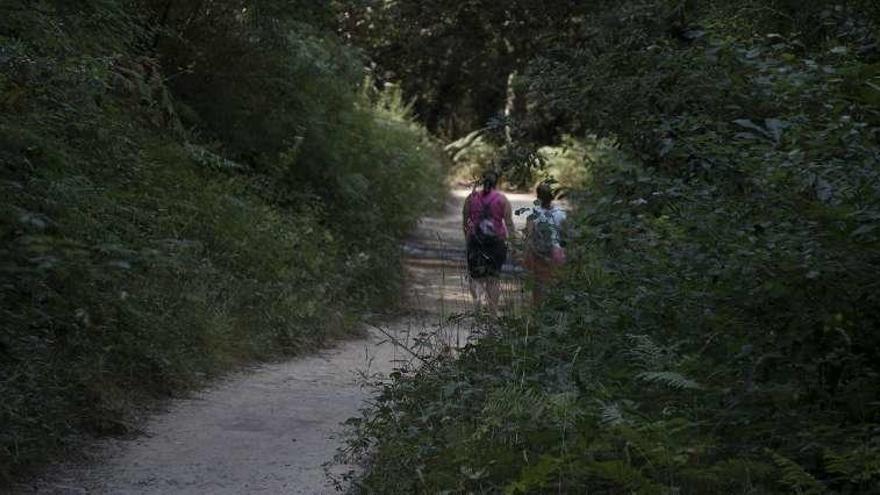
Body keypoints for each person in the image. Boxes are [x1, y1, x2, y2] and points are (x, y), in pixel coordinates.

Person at [462, 171, 516, 315]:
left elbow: (465, 222)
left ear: (482, 181)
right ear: (496, 183)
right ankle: (493, 312)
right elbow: (509, 223)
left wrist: (468, 239)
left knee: (475, 276)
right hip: (496, 242)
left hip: (475, 240)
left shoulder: (470, 198)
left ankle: (477, 301)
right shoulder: (502, 199)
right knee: (493, 278)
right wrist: (514, 243)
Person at [524, 182, 567, 304]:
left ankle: (538, 311)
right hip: (557, 252)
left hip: (539, 253)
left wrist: (526, 254)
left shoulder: (533, 215)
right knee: (555, 282)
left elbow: (529, 236)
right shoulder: (561, 214)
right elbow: (565, 237)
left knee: (538, 284)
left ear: (538, 197)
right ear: (552, 196)